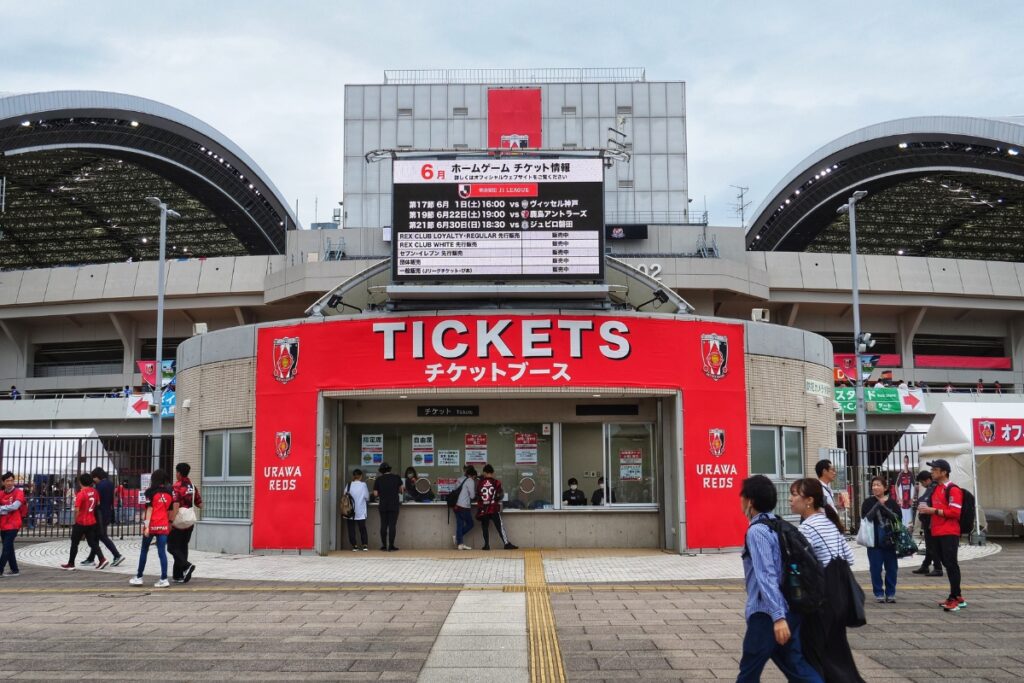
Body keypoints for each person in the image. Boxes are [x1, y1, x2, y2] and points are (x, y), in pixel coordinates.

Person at [737, 475, 822, 683]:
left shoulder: (757, 531)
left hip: (766, 615)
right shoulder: (777, 524)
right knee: (797, 668)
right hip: (790, 609)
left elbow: (766, 576)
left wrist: (778, 618)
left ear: (751, 501)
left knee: (748, 672)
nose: (740, 501)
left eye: (742, 496)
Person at [789, 478, 864, 683]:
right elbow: (849, 557)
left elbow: (801, 566)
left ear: (809, 500)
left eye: (795, 494)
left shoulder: (807, 529)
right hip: (841, 597)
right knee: (838, 652)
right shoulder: (829, 523)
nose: (790, 499)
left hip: (822, 600)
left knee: (816, 653)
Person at [917, 459, 966, 611]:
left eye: (935, 469)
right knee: (947, 564)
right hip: (937, 531)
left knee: (951, 564)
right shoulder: (936, 489)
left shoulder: (953, 489)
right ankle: (957, 596)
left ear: (944, 472)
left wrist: (933, 511)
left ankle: (955, 598)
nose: (931, 472)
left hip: (949, 532)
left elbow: (955, 512)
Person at [130, 469, 175, 588]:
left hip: (152, 525)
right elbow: (171, 511)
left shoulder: (150, 492)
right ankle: (164, 579)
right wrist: (169, 523)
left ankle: (139, 577)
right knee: (162, 552)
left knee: (144, 550)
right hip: (163, 525)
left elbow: (149, 509)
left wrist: (146, 526)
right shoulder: (169, 493)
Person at [860, 476, 901, 603]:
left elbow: (897, 518)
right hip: (874, 541)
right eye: (873, 485)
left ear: (885, 487)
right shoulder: (868, 502)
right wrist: (878, 505)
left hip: (890, 541)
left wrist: (885, 508)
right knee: (875, 568)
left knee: (892, 568)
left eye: (878, 485)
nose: (875, 487)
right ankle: (878, 592)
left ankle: (891, 593)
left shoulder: (892, 502)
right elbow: (866, 518)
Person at [60, 473, 108, 571]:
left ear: (80, 482)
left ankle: (71, 563)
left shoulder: (81, 494)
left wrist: (75, 521)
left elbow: (77, 510)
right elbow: (98, 503)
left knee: (74, 543)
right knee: (92, 542)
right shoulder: (95, 491)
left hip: (81, 522)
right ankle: (102, 559)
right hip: (92, 521)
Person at [82, 467, 124, 568]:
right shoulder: (110, 484)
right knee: (96, 536)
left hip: (100, 513)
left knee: (102, 536)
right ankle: (91, 558)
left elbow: (97, 501)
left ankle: (117, 555)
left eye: (94, 478)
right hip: (107, 512)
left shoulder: (99, 486)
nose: (93, 480)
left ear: (97, 477)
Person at [169, 462, 202, 583]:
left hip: (179, 522)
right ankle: (179, 575)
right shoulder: (192, 486)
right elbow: (200, 504)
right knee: (183, 547)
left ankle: (186, 566)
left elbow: (176, 505)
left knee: (172, 547)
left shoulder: (176, 486)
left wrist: (170, 520)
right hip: (189, 522)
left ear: (178, 473)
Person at [476, 464, 517, 550]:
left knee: (485, 527)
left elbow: (478, 496)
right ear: (492, 473)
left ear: (484, 472)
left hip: (484, 509)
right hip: (493, 508)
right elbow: (500, 495)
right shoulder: (496, 482)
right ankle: (506, 543)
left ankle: (486, 545)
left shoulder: (480, 483)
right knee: (500, 527)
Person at [911, 471, 942, 577]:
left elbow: (924, 500)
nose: (922, 485)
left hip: (931, 520)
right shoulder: (934, 486)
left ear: (927, 480)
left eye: (922, 482)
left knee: (932, 545)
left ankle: (938, 568)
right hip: (930, 520)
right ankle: (925, 566)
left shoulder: (932, 487)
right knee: (930, 545)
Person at [0, 472, 28, 576]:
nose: (10, 483)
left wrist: (2, 509)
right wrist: (6, 509)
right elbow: (10, 507)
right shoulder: (1, 493)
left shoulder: (19, 492)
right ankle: (15, 570)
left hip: (14, 524)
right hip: (3, 525)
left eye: (12, 480)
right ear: (3, 482)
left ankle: (0, 569)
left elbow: (15, 507)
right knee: (9, 547)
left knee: (6, 548)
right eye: (7, 481)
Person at [371, 462, 403, 551]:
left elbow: (375, 494)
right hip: (394, 505)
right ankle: (391, 546)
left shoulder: (379, 479)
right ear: (390, 469)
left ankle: (384, 546)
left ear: (381, 471)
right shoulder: (396, 478)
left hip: (383, 505)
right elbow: (401, 490)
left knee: (384, 525)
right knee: (392, 525)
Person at [453, 465, 477, 550]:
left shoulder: (459, 479)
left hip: (456, 506)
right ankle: (458, 538)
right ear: (472, 475)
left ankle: (460, 544)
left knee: (459, 525)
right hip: (464, 506)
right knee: (470, 524)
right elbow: (472, 496)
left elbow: (455, 490)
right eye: (475, 477)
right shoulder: (470, 481)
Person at [346, 469, 369, 551]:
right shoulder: (363, 485)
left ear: (353, 476)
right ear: (361, 476)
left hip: (350, 511)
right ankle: (365, 545)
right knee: (362, 528)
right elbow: (367, 497)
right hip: (361, 511)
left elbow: (344, 496)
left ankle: (354, 546)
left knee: (351, 529)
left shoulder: (349, 485)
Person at [893, 455, 915, 526]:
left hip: (909, 501)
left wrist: (912, 498)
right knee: (903, 520)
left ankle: (909, 533)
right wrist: (899, 498)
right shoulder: (901, 474)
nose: (906, 463)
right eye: (905, 461)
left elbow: (914, 486)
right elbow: (896, 486)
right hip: (902, 501)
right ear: (903, 462)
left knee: (909, 522)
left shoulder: (911, 474)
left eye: (907, 461)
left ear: (908, 462)